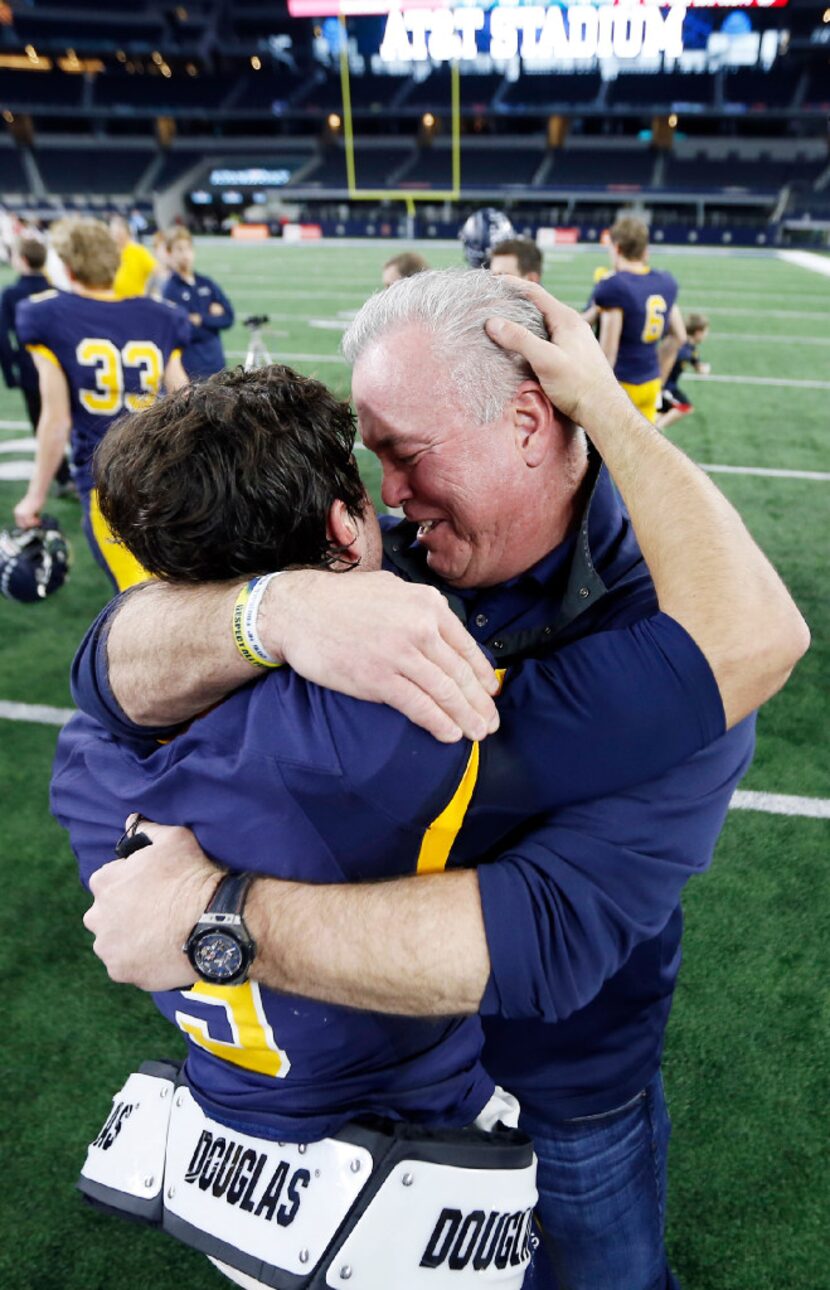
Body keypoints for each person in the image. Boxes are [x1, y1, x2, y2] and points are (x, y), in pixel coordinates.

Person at [75, 272, 808, 1290]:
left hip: (558, 1074)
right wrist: (273, 610)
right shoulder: (378, 559)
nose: (384, 496)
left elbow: (544, 932)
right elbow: (109, 663)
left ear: (524, 421)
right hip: (367, 1086)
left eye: (405, 454)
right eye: (371, 460)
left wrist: (218, 918)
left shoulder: (677, 629)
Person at [12, 217, 190, 592]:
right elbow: (185, 401)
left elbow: (56, 420)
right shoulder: (160, 315)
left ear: (68, 266)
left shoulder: (46, 314)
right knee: (181, 583)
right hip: (164, 471)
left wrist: (34, 497)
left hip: (106, 478)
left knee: (142, 598)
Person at [593, 215, 686, 424]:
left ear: (616, 248)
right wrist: (659, 376)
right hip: (651, 381)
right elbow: (679, 336)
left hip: (622, 385)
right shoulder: (665, 282)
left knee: (612, 453)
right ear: (645, 250)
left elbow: (608, 355)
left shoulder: (615, 286)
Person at [0, 235, 72, 491]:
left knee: (43, 422)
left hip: (31, 370)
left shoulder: (11, 294)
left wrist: (10, 373)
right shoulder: (59, 292)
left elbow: (3, 337)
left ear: (21, 260)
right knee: (74, 420)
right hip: (67, 368)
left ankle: (62, 476)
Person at [163, 227, 235, 379]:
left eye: (188, 248)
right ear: (170, 253)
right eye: (179, 249)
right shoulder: (170, 290)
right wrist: (212, 320)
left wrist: (201, 319)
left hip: (217, 365)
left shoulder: (206, 283)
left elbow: (229, 318)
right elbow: (183, 331)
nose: (185, 254)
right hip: (190, 368)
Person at [657, 312, 711, 432]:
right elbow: (663, 365)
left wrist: (702, 368)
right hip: (665, 387)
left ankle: (655, 426)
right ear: (698, 332)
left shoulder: (691, 348)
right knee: (684, 406)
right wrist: (659, 388)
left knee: (666, 411)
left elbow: (696, 363)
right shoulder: (682, 350)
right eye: (706, 332)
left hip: (671, 387)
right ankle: (656, 429)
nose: (707, 335)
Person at [109, 213, 156, 300]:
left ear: (127, 232)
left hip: (135, 301)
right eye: (113, 232)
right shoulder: (111, 254)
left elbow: (157, 272)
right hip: (115, 302)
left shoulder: (138, 251)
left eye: (119, 232)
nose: (116, 236)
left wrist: (150, 293)